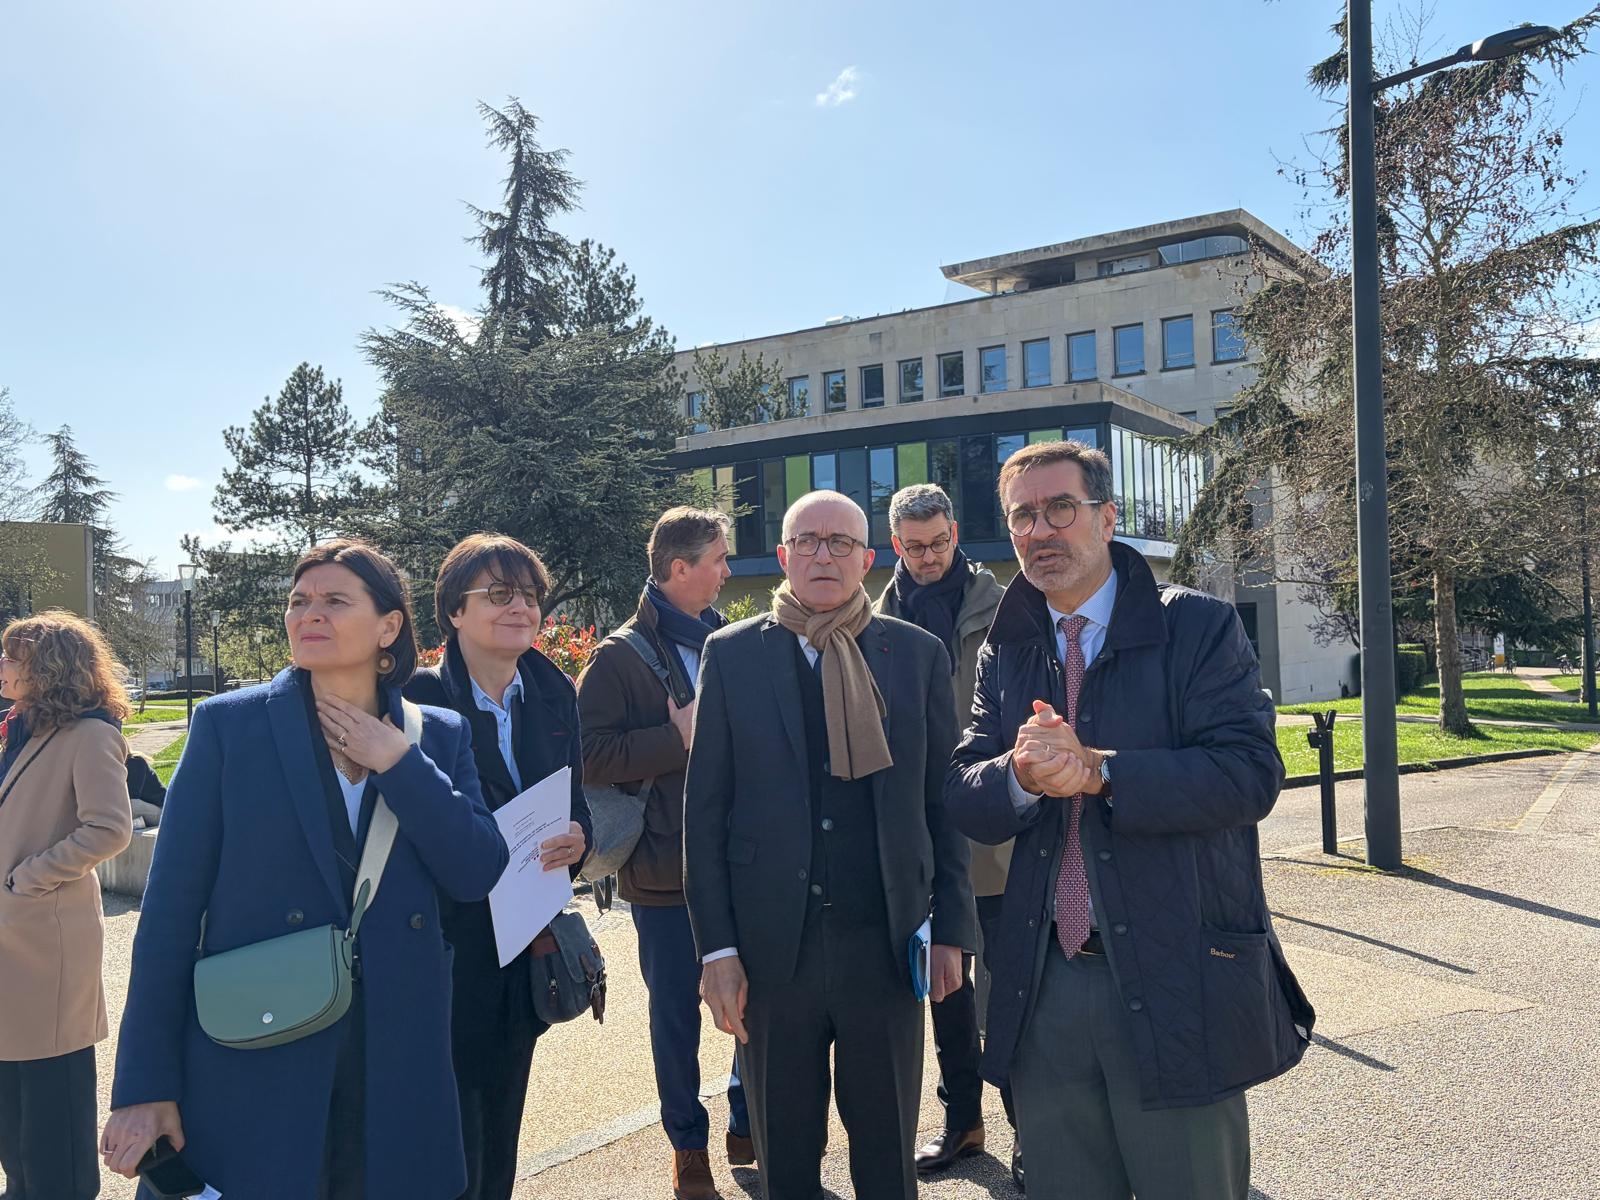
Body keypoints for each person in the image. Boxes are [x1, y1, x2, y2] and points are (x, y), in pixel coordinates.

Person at [945, 441, 1315, 1200]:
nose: (1041, 530)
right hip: (1044, 982)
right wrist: (1016, 775)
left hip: (1174, 968)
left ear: (1108, 518)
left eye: (1060, 509)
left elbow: (1250, 775)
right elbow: (964, 790)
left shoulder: (1199, 627)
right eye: (1023, 516)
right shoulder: (1005, 649)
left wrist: (1104, 770)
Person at [103, 539, 509, 1200]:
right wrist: (146, 1087)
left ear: (388, 626)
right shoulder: (228, 728)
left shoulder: (437, 734)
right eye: (298, 601)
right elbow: (169, 917)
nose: (307, 614)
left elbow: (477, 870)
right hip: (259, 1046)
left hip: (396, 1056)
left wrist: (398, 762)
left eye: (333, 600)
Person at [685, 490, 976, 1200]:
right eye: (808, 541)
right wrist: (717, 951)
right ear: (782, 556)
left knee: (886, 1159)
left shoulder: (915, 655)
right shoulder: (732, 656)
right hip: (768, 955)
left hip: (884, 943)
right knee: (785, 1158)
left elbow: (945, 805)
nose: (824, 554)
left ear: (867, 560)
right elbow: (706, 814)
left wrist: (953, 930)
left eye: (840, 543)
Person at [404, 533, 592, 1200]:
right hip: (447, 949)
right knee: (452, 1138)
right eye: (499, 594)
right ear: (454, 612)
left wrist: (580, 838)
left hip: (526, 947)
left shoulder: (551, 691)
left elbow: (576, 804)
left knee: (501, 1132)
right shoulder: (416, 699)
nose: (521, 607)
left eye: (531, 595)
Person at [576, 506, 748, 1200]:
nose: (729, 570)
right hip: (661, 873)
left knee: (754, 1004)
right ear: (680, 570)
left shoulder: (731, 641)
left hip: (740, 862)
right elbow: (586, 757)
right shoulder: (618, 657)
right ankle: (687, 1144)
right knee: (676, 1014)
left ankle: (746, 1120)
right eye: (718, 559)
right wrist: (673, 739)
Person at [869, 483, 1018, 1186]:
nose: (928, 557)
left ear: (956, 534)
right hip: (921, 836)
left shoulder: (1007, 607)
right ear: (895, 544)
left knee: (1015, 990)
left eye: (939, 543)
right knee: (946, 992)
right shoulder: (872, 620)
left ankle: (1034, 1129)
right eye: (914, 546)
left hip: (996, 832)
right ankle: (964, 1120)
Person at [0, 612, 134, 1200]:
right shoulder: (25, 727)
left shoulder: (91, 734)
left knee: (53, 1094)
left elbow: (109, 829)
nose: (2, 666)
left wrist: (28, 878)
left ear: (46, 667)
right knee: (12, 1093)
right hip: (15, 934)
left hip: (45, 937)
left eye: (12, 656)